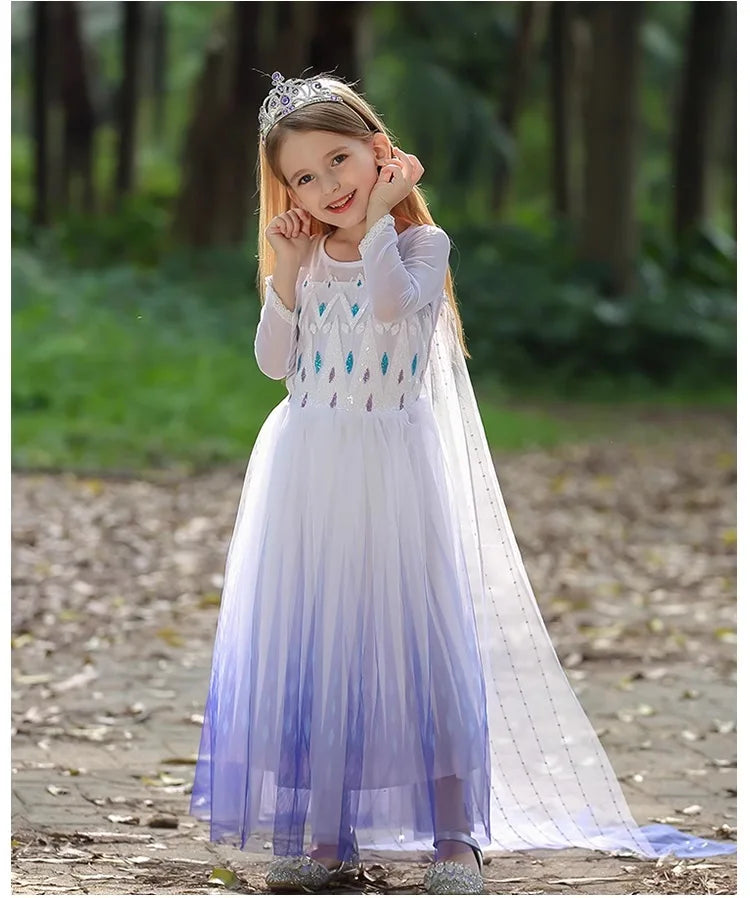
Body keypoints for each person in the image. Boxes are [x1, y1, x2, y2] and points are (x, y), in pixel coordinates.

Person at [189, 72, 735, 895]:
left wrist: (376, 217)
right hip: (309, 472)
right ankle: (328, 839)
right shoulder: (301, 259)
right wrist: (290, 269)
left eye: (339, 161)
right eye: (303, 177)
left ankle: (455, 841)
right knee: (321, 642)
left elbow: (386, 308)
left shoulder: (418, 248)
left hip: (391, 471)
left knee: (411, 639)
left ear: (381, 154)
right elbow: (275, 364)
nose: (326, 186)